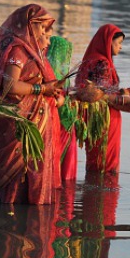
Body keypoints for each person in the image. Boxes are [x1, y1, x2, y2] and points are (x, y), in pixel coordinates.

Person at [0, 4, 63, 205]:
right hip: (19, 123)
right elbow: (10, 86)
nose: (44, 32)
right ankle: (12, 220)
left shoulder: (33, 51)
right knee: (15, 178)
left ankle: (31, 214)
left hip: (35, 121)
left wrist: (53, 91)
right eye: (41, 27)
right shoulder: (18, 50)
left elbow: (42, 82)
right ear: (30, 25)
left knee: (33, 172)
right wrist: (41, 90)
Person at [75, 24, 130, 174]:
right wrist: (126, 100)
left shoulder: (89, 60)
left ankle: (93, 194)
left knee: (95, 161)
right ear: (108, 42)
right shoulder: (103, 63)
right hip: (105, 118)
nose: (120, 47)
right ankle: (103, 195)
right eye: (118, 43)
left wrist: (124, 92)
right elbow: (102, 95)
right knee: (106, 166)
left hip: (91, 117)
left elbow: (97, 90)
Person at [46, 34, 78, 181]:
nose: (67, 61)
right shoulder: (51, 77)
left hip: (65, 128)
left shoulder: (63, 77)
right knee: (58, 168)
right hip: (57, 127)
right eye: (65, 56)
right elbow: (55, 101)